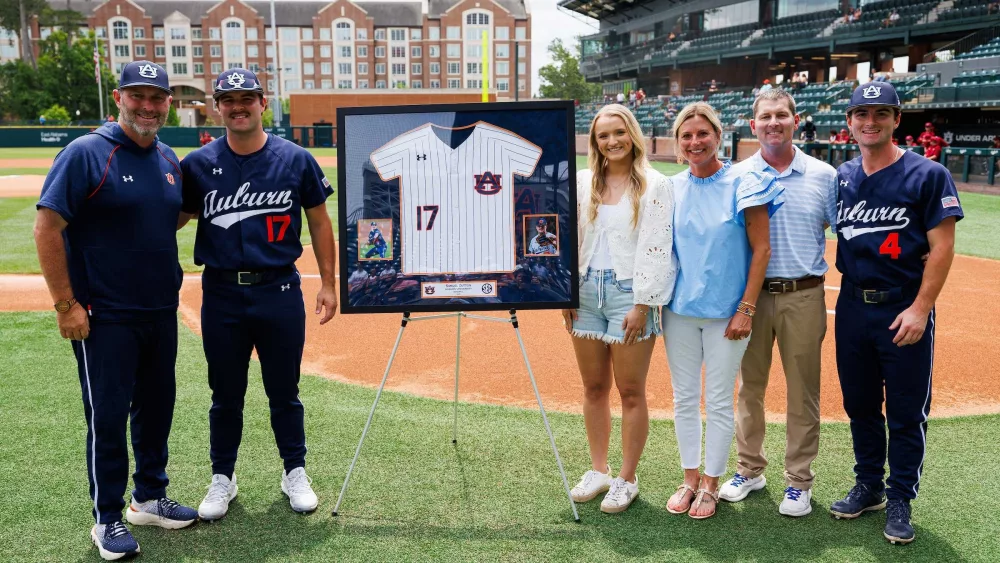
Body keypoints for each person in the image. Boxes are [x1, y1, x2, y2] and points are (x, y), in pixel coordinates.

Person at [34, 60, 198, 561]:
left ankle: (147, 497)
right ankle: (106, 518)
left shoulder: (169, 157)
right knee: (107, 417)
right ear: (118, 96)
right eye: (138, 96)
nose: (147, 106)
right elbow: (47, 228)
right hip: (104, 316)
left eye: (157, 98)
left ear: (169, 103)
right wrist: (66, 305)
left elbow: (171, 215)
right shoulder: (87, 153)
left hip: (158, 310)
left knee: (156, 408)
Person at [177, 68, 339, 520]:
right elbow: (174, 218)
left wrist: (328, 282)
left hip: (279, 288)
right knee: (225, 392)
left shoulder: (296, 159)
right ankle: (222, 478)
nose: (238, 105)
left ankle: (295, 470)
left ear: (263, 103)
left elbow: (320, 222)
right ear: (217, 107)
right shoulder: (197, 164)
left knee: (284, 390)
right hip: (223, 293)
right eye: (228, 99)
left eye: (247, 97)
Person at [830, 82, 963, 545]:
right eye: (862, 114)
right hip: (851, 306)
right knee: (860, 404)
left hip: (902, 306)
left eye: (881, 113)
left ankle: (900, 495)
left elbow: (942, 246)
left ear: (896, 119)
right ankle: (869, 485)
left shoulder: (927, 174)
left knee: (906, 411)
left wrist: (921, 308)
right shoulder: (843, 175)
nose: (871, 122)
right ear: (849, 123)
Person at [720, 89, 837, 517]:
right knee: (748, 388)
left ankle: (798, 481)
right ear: (753, 125)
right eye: (765, 116)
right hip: (751, 297)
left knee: (802, 391)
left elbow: (845, 230)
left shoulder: (824, 175)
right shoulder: (736, 175)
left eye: (781, 115)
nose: (773, 122)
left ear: (795, 120)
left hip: (803, 294)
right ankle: (750, 470)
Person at [664, 102, 783, 519]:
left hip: (728, 314)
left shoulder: (743, 180)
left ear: (718, 135)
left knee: (717, 400)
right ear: (677, 143)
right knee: (683, 399)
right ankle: (689, 478)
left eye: (702, 134)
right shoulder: (671, 186)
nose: (695, 142)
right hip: (678, 310)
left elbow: (762, 248)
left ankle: (712, 484)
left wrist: (746, 309)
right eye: (686, 136)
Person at [562, 104, 676, 514]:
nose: (611, 141)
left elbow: (658, 248)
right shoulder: (581, 182)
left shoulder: (655, 184)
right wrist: (566, 293)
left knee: (630, 391)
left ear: (632, 134)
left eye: (618, 133)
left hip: (630, 293)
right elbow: (567, 238)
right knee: (593, 387)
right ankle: (599, 470)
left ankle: (627, 478)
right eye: (602, 136)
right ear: (595, 142)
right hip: (586, 292)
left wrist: (643, 304)